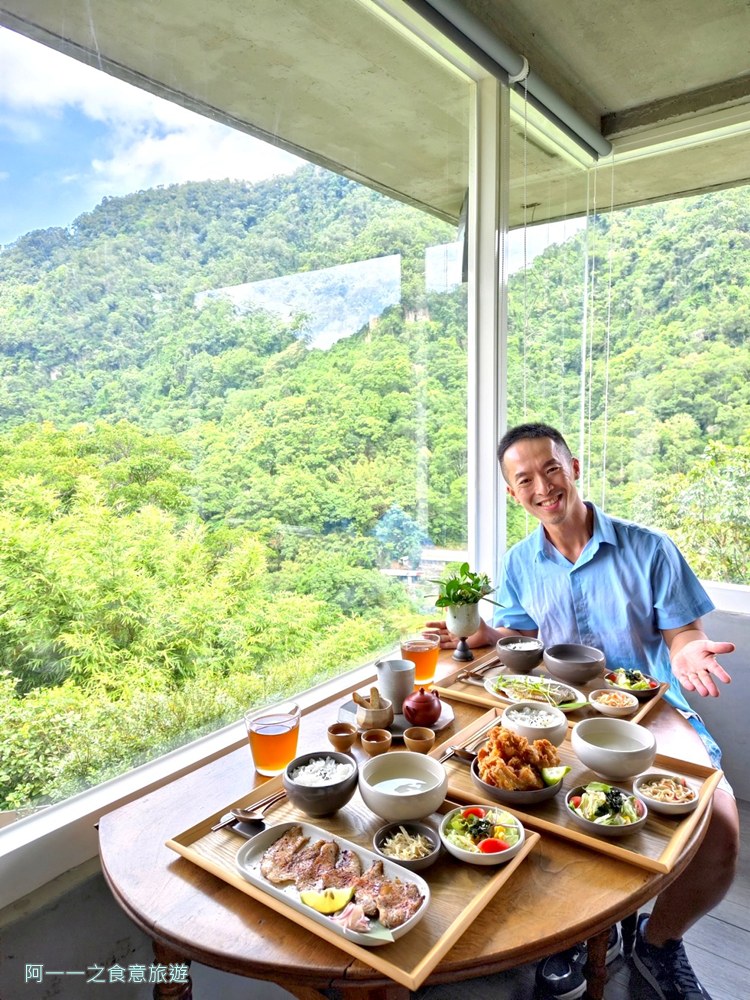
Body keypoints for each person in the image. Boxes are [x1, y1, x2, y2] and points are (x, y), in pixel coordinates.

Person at [428, 422, 739, 1000]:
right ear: (512, 494)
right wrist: (473, 634)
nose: (542, 487)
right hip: (560, 718)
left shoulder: (650, 548)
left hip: (649, 715)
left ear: (573, 469)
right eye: (524, 480)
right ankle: (571, 935)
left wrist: (690, 648)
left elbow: (681, 634)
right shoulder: (520, 561)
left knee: (719, 830)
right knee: (535, 817)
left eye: (550, 469)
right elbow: (519, 633)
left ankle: (658, 943)